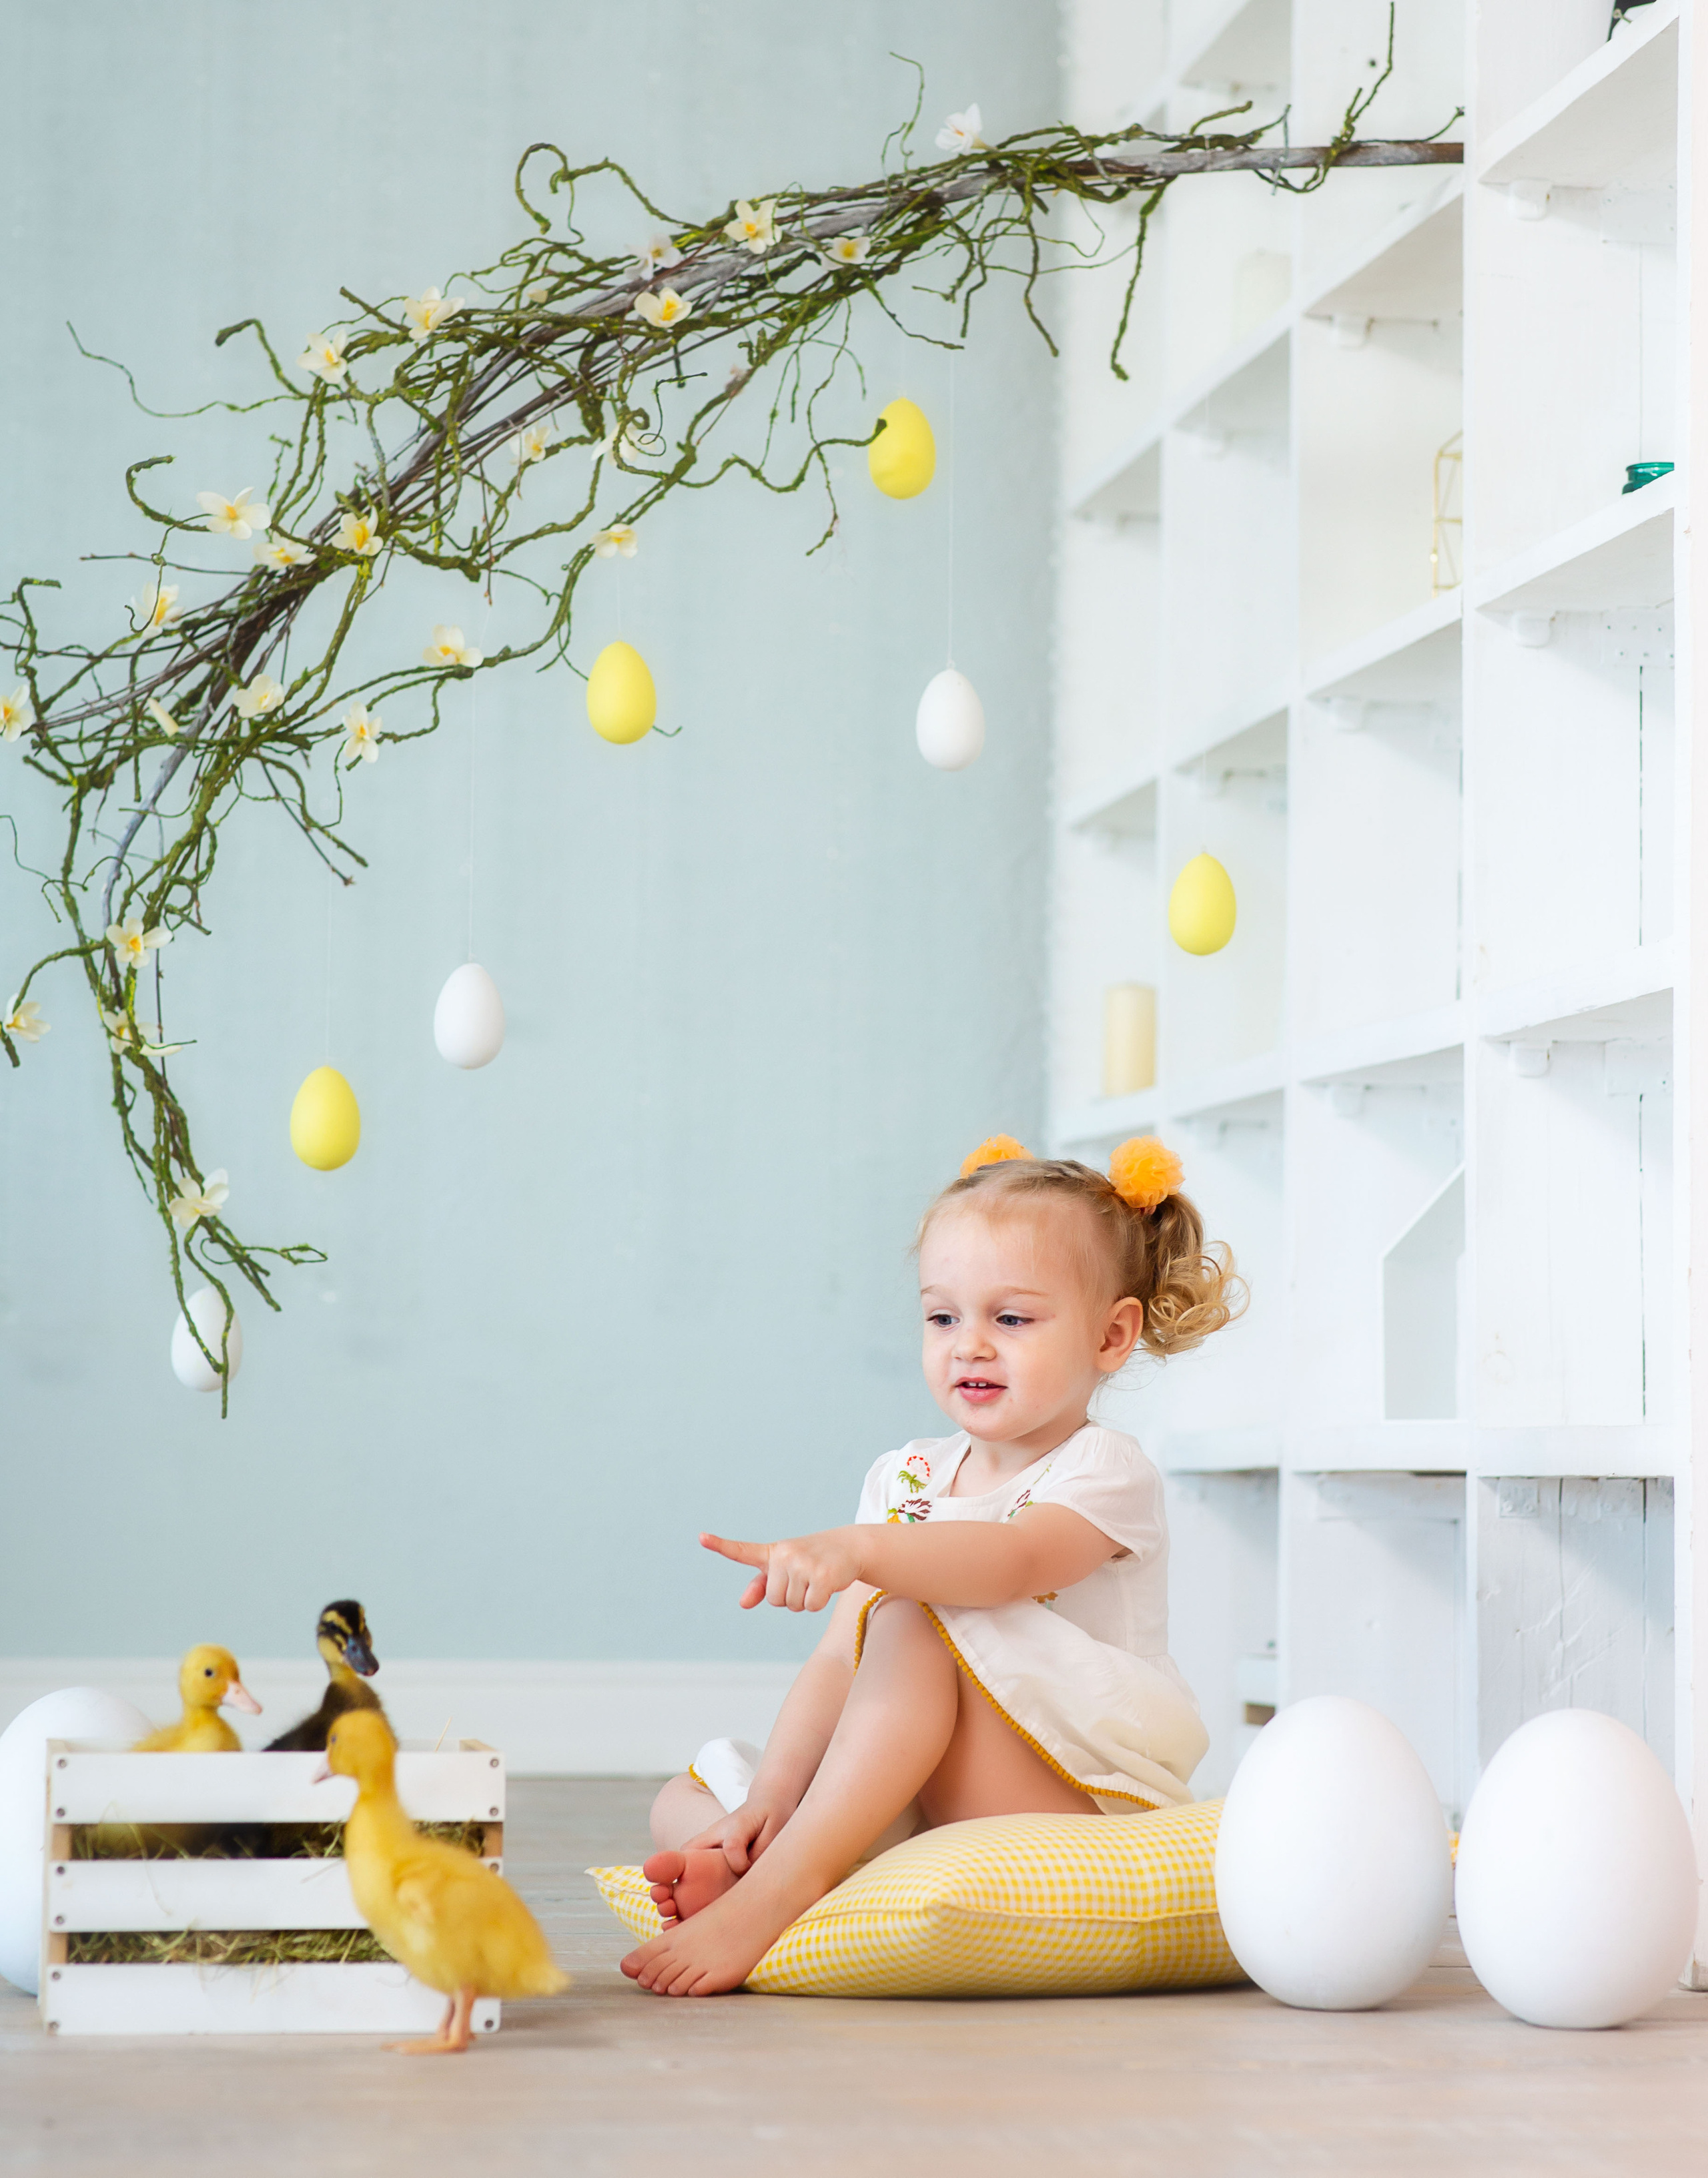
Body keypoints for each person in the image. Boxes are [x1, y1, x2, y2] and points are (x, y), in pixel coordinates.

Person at [621, 1132, 1244, 1997]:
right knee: (686, 1804)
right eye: (943, 1316)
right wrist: (770, 1795)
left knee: (912, 1612)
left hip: (1073, 1786)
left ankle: (778, 1895)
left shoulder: (1103, 1471)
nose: (970, 1346)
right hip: (933, 1773)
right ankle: (773, 1851)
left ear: (1112, 1336)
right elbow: (840, 1658)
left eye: (1012, 1319)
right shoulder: (905, 1475)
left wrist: (860, 1550)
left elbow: (1010, 1562)